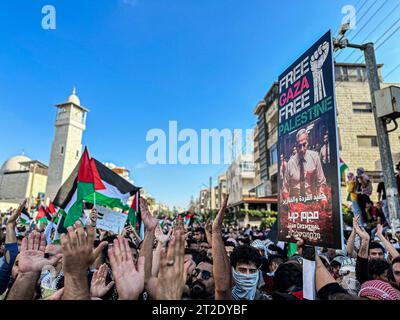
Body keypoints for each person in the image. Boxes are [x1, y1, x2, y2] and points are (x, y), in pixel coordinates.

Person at [283, 128, 326, 199]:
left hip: (312, 200)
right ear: (296, 145)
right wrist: (287, 201)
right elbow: (285, 187)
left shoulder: (315, 157)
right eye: (299, 146)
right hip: (296, 203)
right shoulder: (290, 163)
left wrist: (322, 195)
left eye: (304, 144)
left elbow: (322, 182)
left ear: (308, 142)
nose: (302, 149)